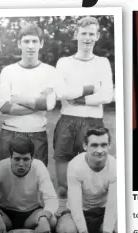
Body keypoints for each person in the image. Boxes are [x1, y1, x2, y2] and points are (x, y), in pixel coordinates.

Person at [53, 16, 114, 215]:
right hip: (67, 121)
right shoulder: (63, 62)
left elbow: (107, 95)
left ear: (96, 36)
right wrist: (91, 88)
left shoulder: (103, 62)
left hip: (92, 123)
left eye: (91, 34)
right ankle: (63, 218)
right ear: (76, 34)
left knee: (89, 178)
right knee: (63, 184)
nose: (87, 38)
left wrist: (79, 98)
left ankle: (87, 220)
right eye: (84, 33)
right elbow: (61, 92)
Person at [0, 24, 59, 167]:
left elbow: (49, 104)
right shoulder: (8, 71)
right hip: (10, 132)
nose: (30, 46)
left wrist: (16, 98)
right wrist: (38, 103)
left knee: (35, 182)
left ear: (41, 44)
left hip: (37, 133)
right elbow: (4, 106)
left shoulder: (50, 71)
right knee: (6, 182)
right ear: (19, 44)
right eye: (26, 41)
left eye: (35, 41)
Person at [0, 136, 58, 233]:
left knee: (52, 220)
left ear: (32, 158)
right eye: (17, 159)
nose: (21, 164)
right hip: (6, 213)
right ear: (10, 157)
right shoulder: (1, 167)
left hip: (31, 213)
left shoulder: (39, 167)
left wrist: (44, 217)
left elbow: (51, 199)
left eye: (26, 159)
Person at [55, 127, 117, 233]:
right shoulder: (75, 165)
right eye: (94, 145)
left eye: (104, 145)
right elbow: (75, 206)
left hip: (102, 212)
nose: (99, 150)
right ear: (85, 146)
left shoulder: (115, 165)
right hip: (79, 211)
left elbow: (112, 207)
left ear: (109, 146)